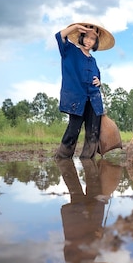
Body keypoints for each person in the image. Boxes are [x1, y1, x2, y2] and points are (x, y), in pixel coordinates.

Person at [54, 22, 115, 160]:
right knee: (73, 130)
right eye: (86, 36)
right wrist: (75, 28)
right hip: (77, 99)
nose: (89, 41)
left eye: (92, 39)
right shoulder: (70, 51)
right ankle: (62, 159)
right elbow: (59, 36)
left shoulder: (93, 61)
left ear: (96, 42)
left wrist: (99, 82)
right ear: (81, 37)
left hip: (94, 101)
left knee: (93, 133)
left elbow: (97, 77)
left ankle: (88, 162)